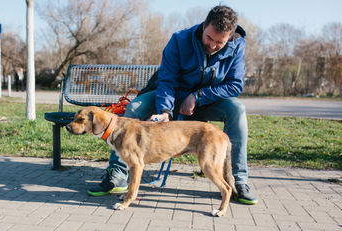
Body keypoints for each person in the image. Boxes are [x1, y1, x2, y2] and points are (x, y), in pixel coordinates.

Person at [87, 5, 257, 205]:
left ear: (230, 36)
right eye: (209, 38)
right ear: (204, 26)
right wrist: (165, 111)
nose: (212, 46)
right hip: (172, 96)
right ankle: (117, 173)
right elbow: (166, 80)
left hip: (209, 99)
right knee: (134, 108)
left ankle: (239, 180)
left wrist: (199, 96)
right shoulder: (179, 40)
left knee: (237, 110)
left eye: (219, 42)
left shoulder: (237, 46)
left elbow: (235, 85)